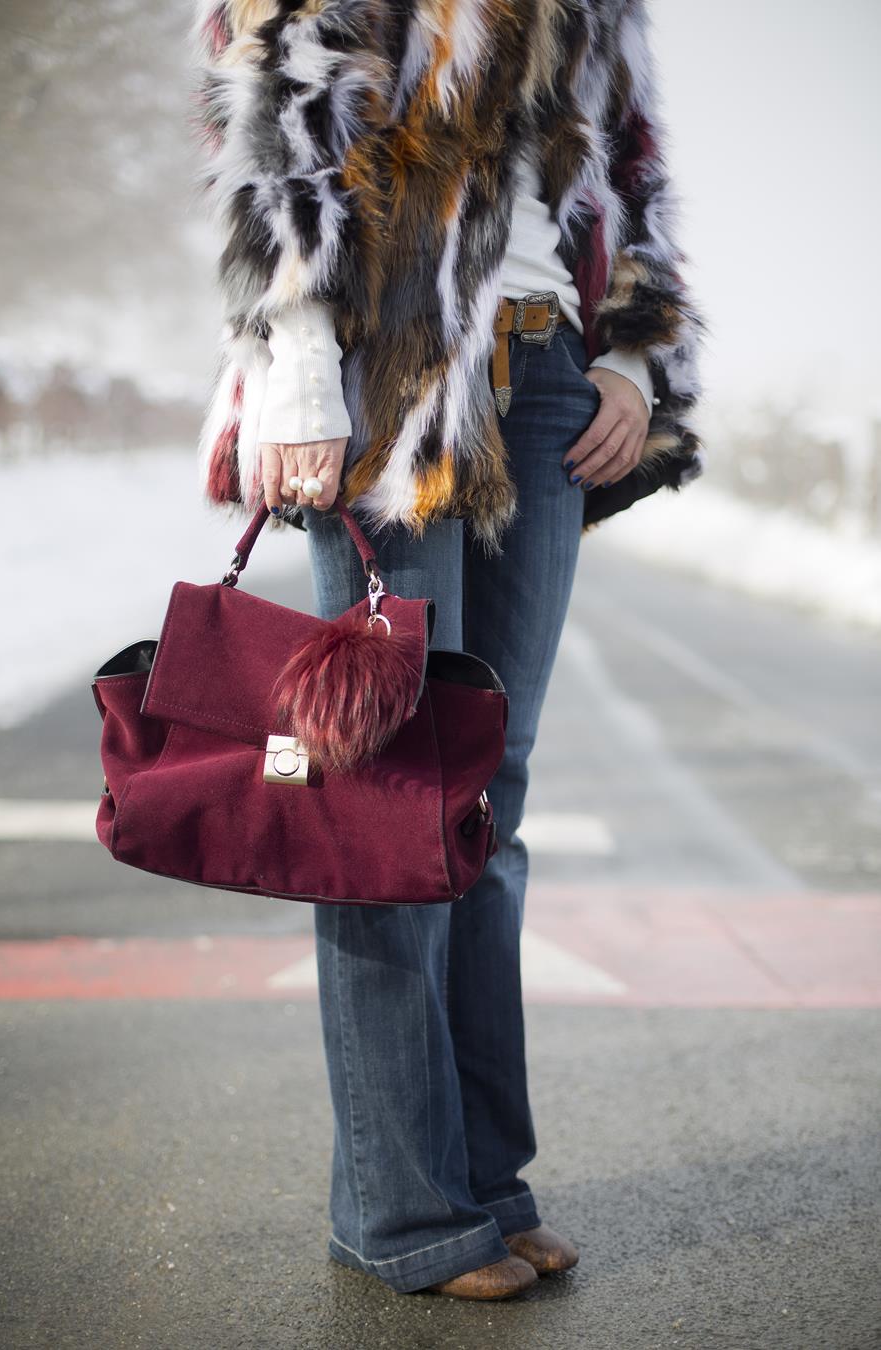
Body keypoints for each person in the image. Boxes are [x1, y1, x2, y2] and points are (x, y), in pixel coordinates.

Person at [189, 0, 707, 1302]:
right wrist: (298, 353)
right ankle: (399, 1204)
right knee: (378, 790)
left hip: (551, 379)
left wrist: (639, 360)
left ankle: (484, 1180)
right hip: (393, 369)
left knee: (489, 788)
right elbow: (273, 127)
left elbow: (636, 171)